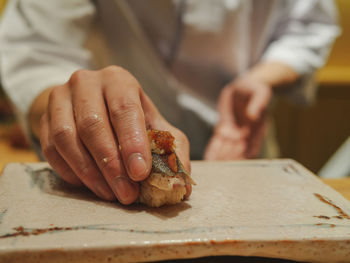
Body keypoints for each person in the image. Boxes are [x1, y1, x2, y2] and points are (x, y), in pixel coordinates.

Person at [0, 0, 339, 204]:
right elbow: (34, 51)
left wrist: (261, 78)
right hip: (105, 159)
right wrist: (64, 109)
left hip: (244, 148)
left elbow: (310, 25)